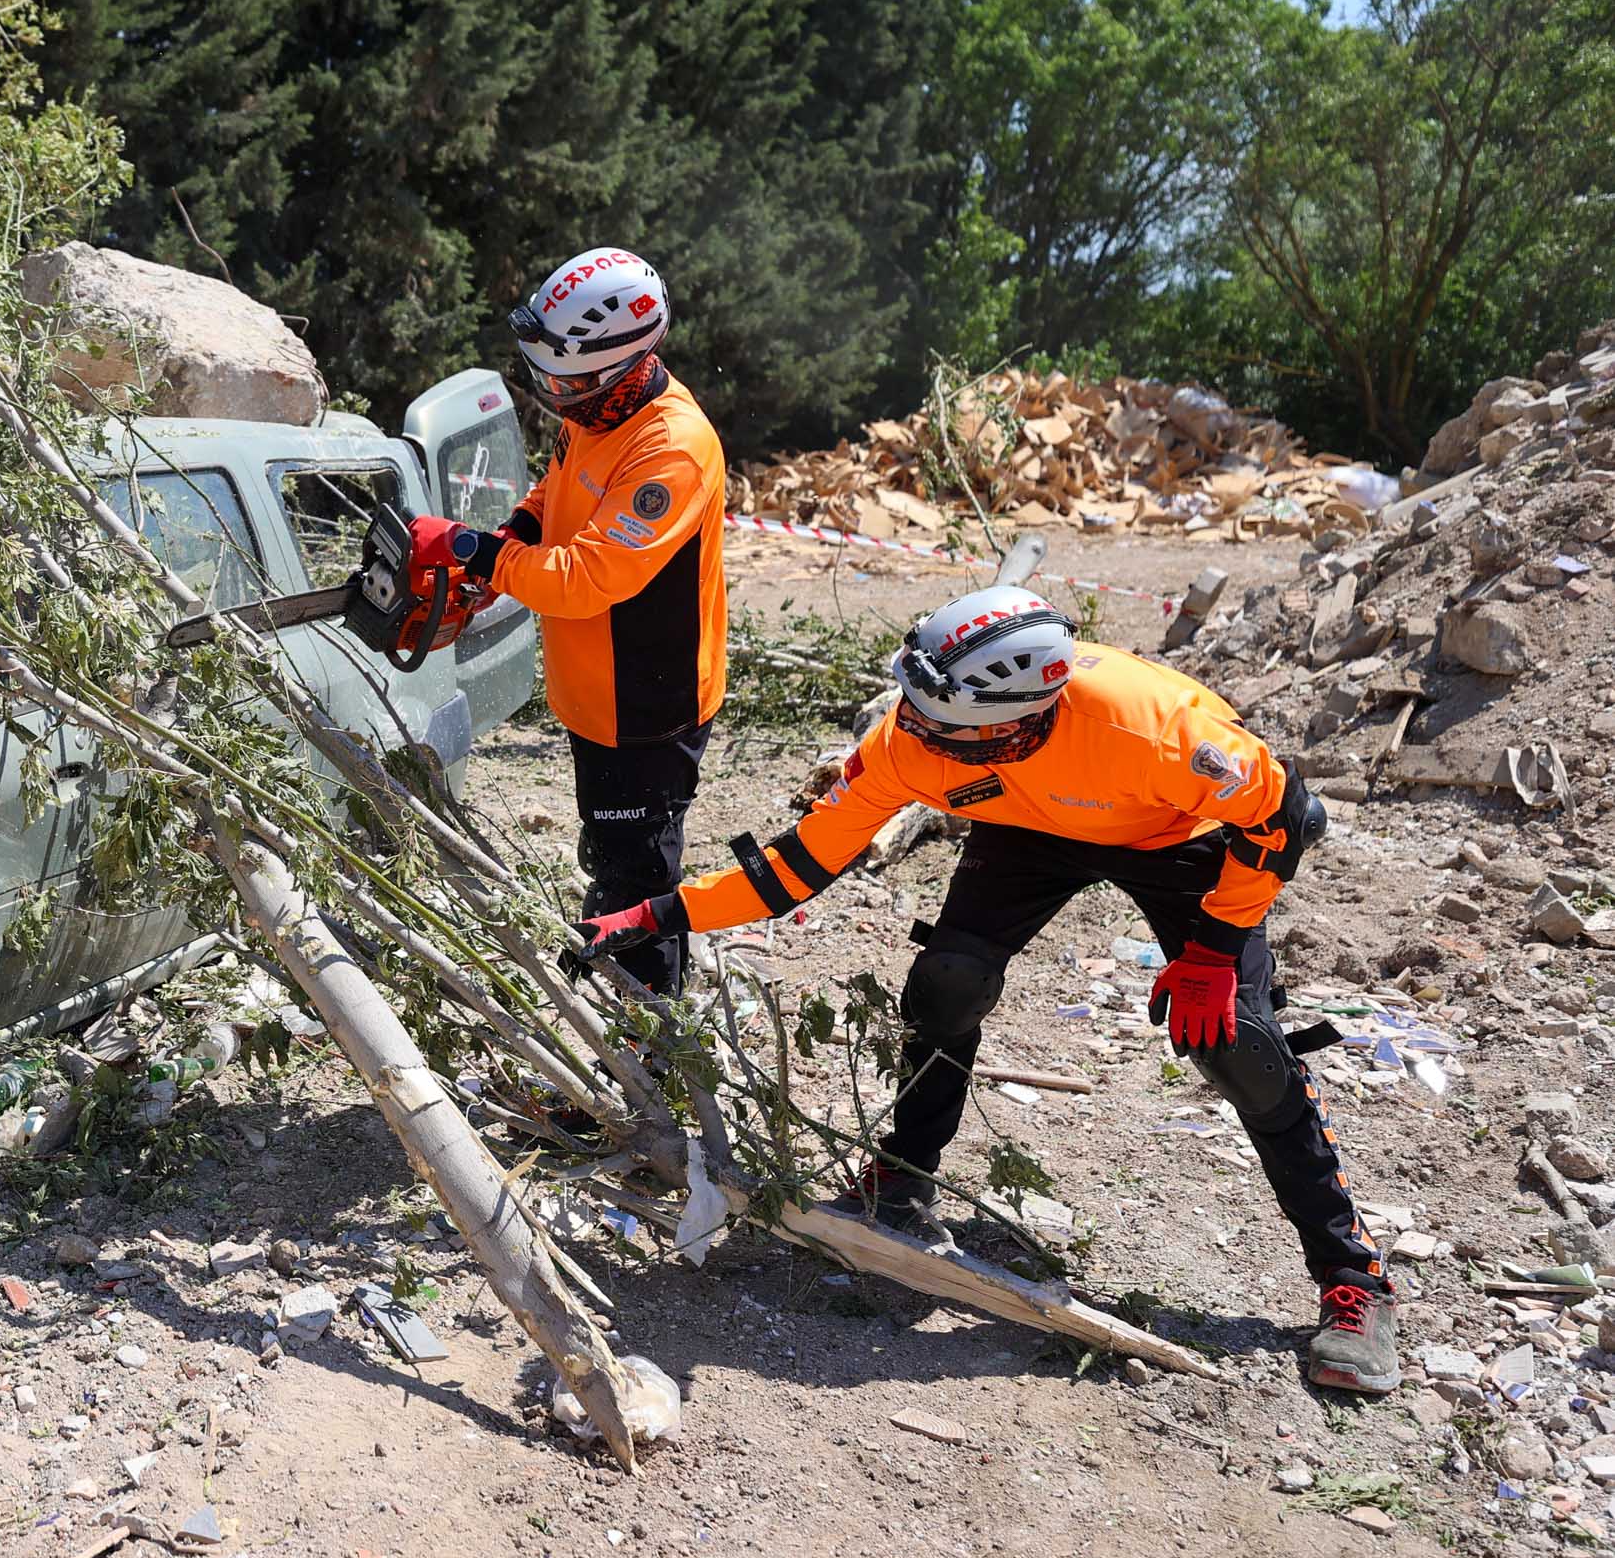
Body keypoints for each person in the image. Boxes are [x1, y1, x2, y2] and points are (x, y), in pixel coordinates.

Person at [577, 586, 1399, 1394]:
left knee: (1235, 1047)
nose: (915, 732)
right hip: (1029, 830)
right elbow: (795, 867)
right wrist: (658, 914)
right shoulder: (912, 738)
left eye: (943, 724)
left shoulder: (1151, 725)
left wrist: (1214, 951)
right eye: (915, 708)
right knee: (945, 987)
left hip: (1179, 838)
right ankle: (900, 1176)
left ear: (1019, 717)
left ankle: (1350, 1278)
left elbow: (1284, 817)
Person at [410, 246, 728, 997]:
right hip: (594, 693)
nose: (555, 395)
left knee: (636, 888)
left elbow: (586, 581)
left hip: (648, 705)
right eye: (546, 378)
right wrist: (503, 549)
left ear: (628, 359)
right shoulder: (593, 411)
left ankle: (644, 1076)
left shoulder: (670, 447)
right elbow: (552, 493)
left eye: (569, 382)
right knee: (611, 855)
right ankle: (626, 1042)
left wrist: (466, 547)